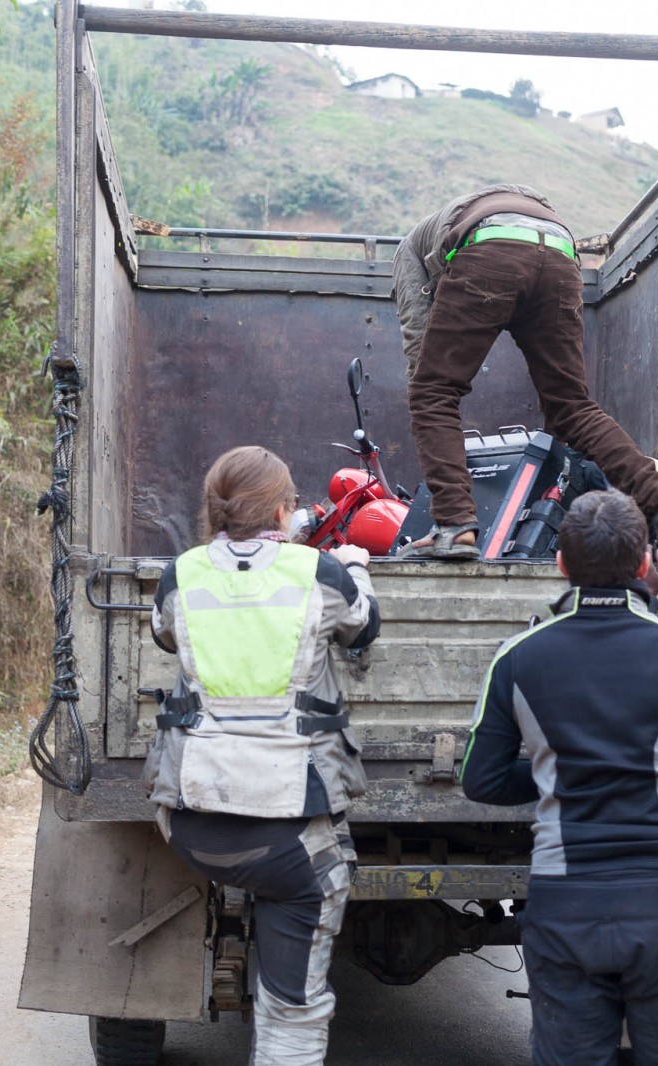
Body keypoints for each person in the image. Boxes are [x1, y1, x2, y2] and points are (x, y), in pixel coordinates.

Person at [460, 490, 658, 1066]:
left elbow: (481, 779)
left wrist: (554, 779)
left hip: (564, 905)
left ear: (560, 566)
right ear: (645, 564)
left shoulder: (517, 656)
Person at [143, 445, 381, 1066]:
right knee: (294, 1004)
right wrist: (353, 563)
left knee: (280, 874)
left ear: (215, 511)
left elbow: (163, 630)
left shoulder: (181, 574)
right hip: (285, 839)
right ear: (283, 511)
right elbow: (363, 625)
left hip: (192, 823)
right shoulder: (319, 574)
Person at [391, 183, 658, 562]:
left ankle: (455, 526)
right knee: (572, 407)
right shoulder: (502, 203)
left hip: (490, 250)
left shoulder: (410, 250)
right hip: (560, 251)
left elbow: (419, 346)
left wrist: (429, 395)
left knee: (432, 393)